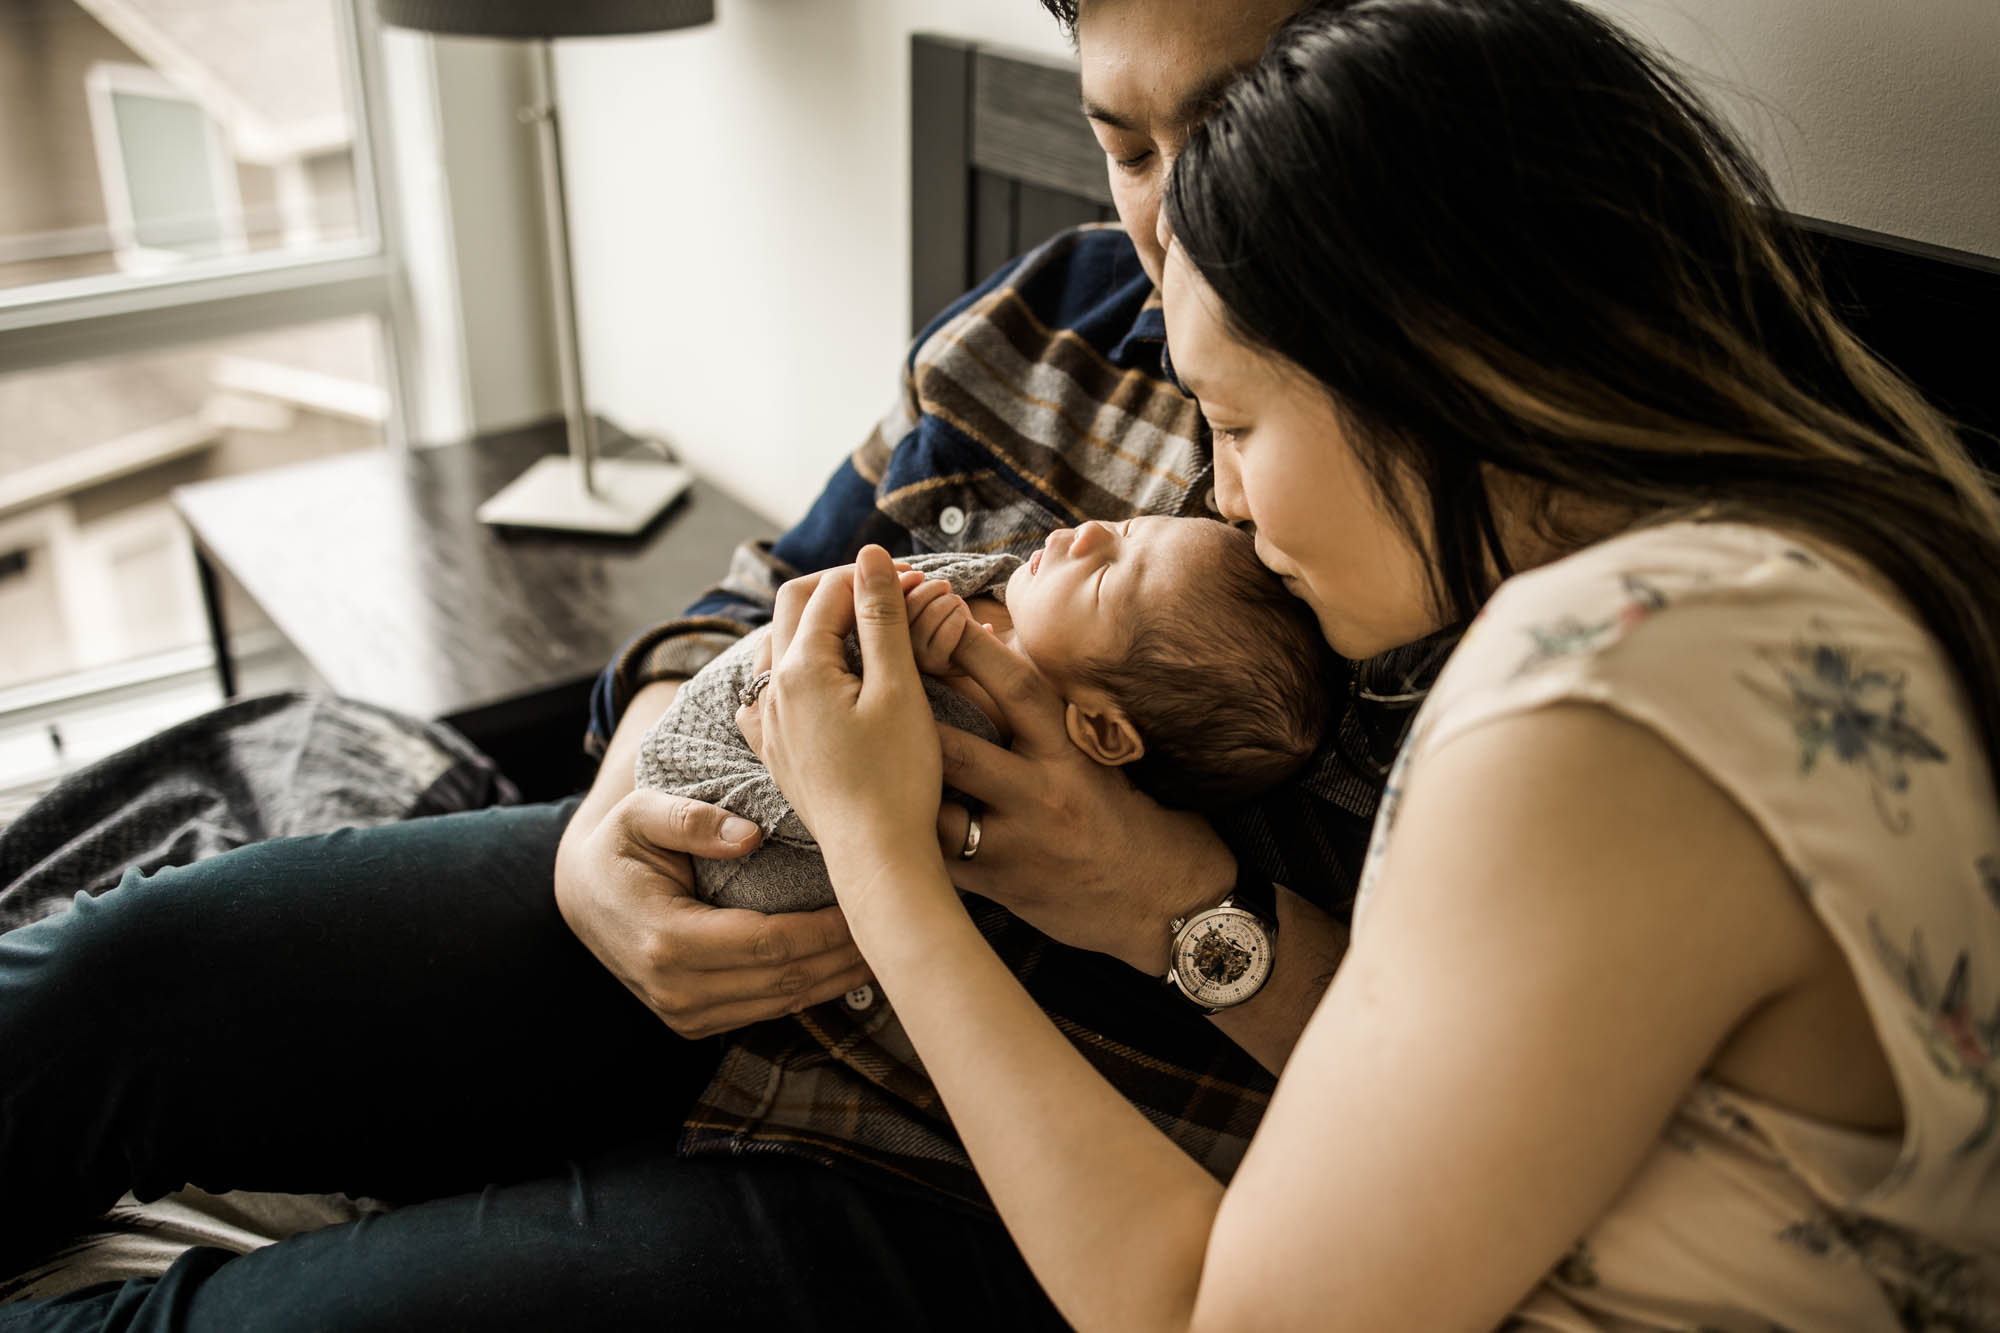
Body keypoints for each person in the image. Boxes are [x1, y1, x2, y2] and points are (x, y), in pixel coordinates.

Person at [0, 0, 1389, 1325]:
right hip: (719, 917)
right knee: (116, 984)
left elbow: (1448, 1095)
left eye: (1221, 135)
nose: (1165, 215)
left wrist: (1159, 894)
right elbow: (758, 592)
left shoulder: (1443, 532)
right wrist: (608, 835)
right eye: (1126, 147)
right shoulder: (1058, 311)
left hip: (974, 1169)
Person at [746, 0, 2000, 1328]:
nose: (1223, 499)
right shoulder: (1836, 570)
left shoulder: (1600, 703)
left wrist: (878, 850)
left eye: (1233, 422)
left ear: (1422, 362)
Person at [636, 518, 1331, 912]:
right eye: (1124, 526)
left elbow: (859, 807)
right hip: (650, 772)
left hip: (723, 857)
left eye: (1105, 573)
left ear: (1103, 729)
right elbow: (785, 582)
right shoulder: (994, 584)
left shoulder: (997, 761)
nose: (1084, 531)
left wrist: (906, 666)